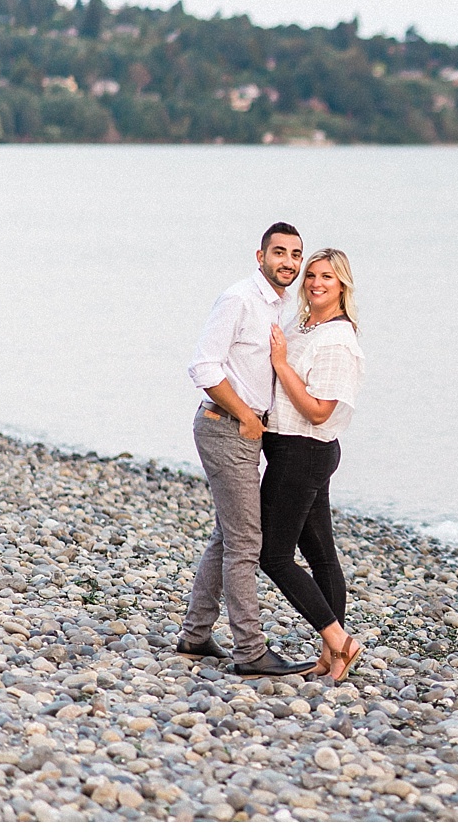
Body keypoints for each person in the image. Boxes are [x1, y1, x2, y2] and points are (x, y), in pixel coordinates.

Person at [178, 222, 317, 677]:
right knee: (246, 542)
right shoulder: (240, 299)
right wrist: (246, 416)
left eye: (296, 255)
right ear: (260, 257)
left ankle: (196, 635)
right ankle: (250, 651)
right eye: (279, 253)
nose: (289, 263)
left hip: (241, 430)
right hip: (226, 428)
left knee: (228, 534)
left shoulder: (276, 308)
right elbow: (203, 366)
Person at [259, 248, 366, 682]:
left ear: (343, 284)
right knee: (321, 556)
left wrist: (281, 363)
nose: (316, 283)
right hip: (291, 449)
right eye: (311, 276)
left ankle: (340, 642)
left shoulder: (338, 341)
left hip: (305, 451)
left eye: (327, 277)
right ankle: (330, 656)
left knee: (274, 555)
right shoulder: (304, 326)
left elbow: (320, 410)